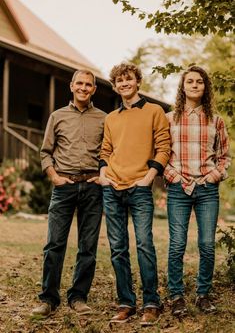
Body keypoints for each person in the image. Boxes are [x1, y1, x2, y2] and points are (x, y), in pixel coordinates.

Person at [99, 62, 170, 326]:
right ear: (115, 86)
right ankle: (126, 303)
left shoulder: (154, 111)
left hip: (140, 187)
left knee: (144, 245)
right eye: (119, 81)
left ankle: (151, 303)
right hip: (113, 189)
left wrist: (149, 177)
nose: (124, 84)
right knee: (118, 249)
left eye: (129, 79)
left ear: (137, 82)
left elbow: (163, 147)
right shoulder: (111, 118)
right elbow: (105, 150)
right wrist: (104, 173)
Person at [31, 69, 106, 318]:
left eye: (89, 84)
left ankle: (78, 296)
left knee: (88, 246)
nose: (84, 88)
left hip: (93, 187)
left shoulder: (104, 118)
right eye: (80, 83)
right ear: (72, 86)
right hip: (64, 186)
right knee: (54, 244)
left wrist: (102, 175)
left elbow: (110, 152)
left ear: (94, 89)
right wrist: (53, 176)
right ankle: (48, 299)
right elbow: (45, 151)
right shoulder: (57, 116)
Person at [164, 66, 230, 317]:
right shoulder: (170, 119)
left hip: (207, 190)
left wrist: (213, 176)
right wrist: (175, 177)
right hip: (179, 188)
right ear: (182, 86)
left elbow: (224, 157)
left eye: (199, 82)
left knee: (206, 245)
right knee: (177, 244)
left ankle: (203, 294)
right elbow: (161, 155)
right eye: (189, 81)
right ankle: (176, 296)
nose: (194, 85)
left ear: (205, 87)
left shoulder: (216, 120)